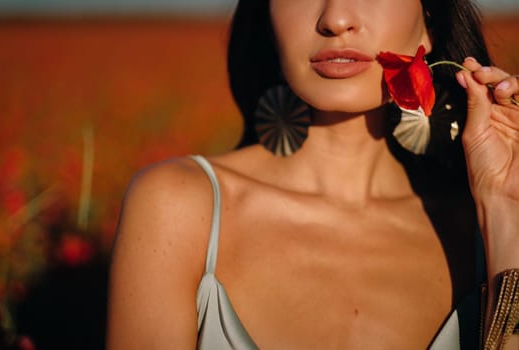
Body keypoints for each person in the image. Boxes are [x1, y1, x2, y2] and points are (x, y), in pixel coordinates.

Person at [106, 0, 519, 348]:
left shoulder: (482, 232)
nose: (336, 20)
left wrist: (505, 210)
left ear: (428, 20)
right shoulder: (179, 208)